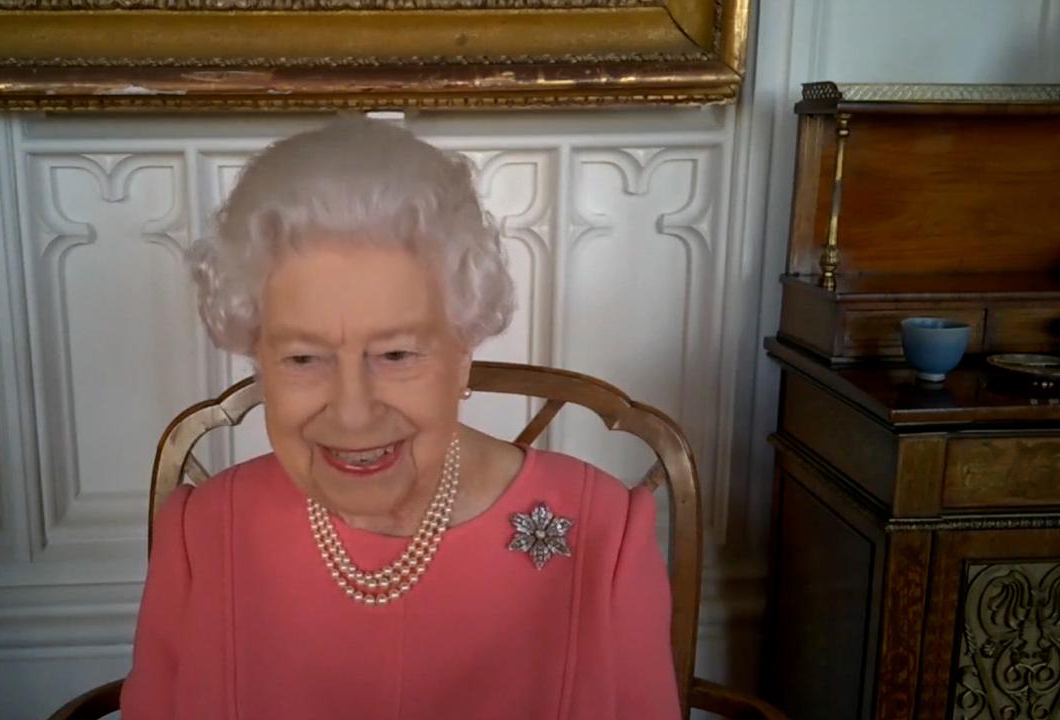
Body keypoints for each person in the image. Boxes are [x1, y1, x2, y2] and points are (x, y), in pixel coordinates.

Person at [121, 117, 680, 719]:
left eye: (396, 355)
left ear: (462, 352)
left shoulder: (603, 535)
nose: (354, 413)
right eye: (303, 358)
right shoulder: (202, 534)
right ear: (258, 359)